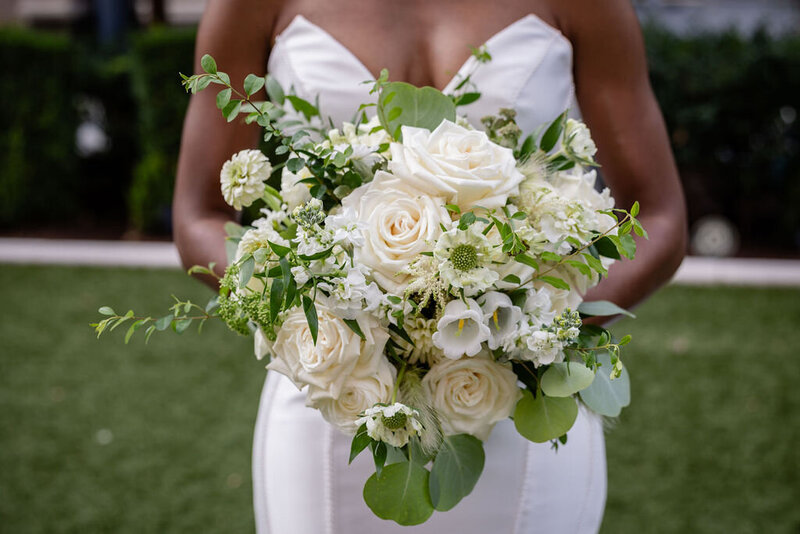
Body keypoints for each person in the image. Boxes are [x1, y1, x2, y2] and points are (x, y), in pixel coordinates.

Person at [173, 1, 687, 532]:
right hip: (331, 393)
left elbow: (662, 218)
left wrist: (535, 331)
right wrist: (305, 295)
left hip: (525, 400)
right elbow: (199, 216)